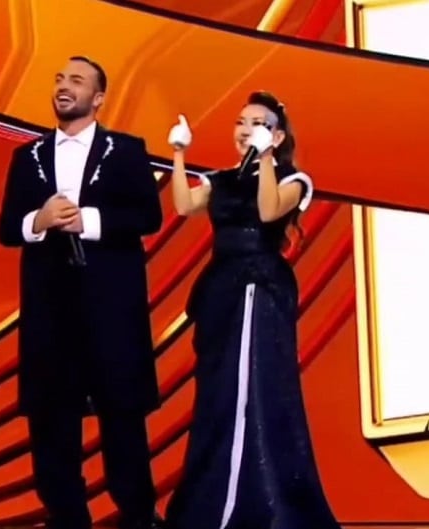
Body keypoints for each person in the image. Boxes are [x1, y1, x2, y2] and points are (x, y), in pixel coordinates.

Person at [0, 56, 163, 529]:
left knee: (122, 417)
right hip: (50, 312)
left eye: (76, 80)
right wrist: (39, 221)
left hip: (112, 310)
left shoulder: (126, 150)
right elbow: (7, 229)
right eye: (59, 79)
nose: (64, 86)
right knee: (52, 421)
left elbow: (148, 217)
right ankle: (67, 516)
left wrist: (86, 220)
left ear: (99, 97)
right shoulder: (27, 156)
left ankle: (138, 516)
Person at [162, 91, 340, 529]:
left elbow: (267, 210)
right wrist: (179, 153)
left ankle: (260, 504)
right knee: (217, 391)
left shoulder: (295, 180)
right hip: (221, 287)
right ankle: (210, 501)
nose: (246, 130)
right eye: (241, 122)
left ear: (277, 137)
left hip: (258, 287)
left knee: (251, 386)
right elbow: (184, 205)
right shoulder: (221, 179)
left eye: (258, 123)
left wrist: (264, 160)